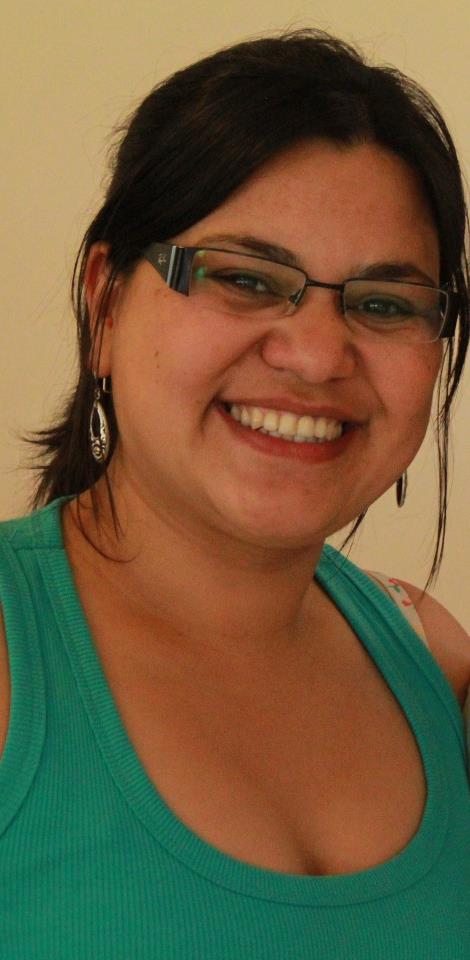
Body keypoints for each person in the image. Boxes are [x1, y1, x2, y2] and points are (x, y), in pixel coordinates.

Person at [0, 28, 469, 958]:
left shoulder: (436, 664)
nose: (318, 355)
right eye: (246, 279)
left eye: (384, 303)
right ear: (105, 300)